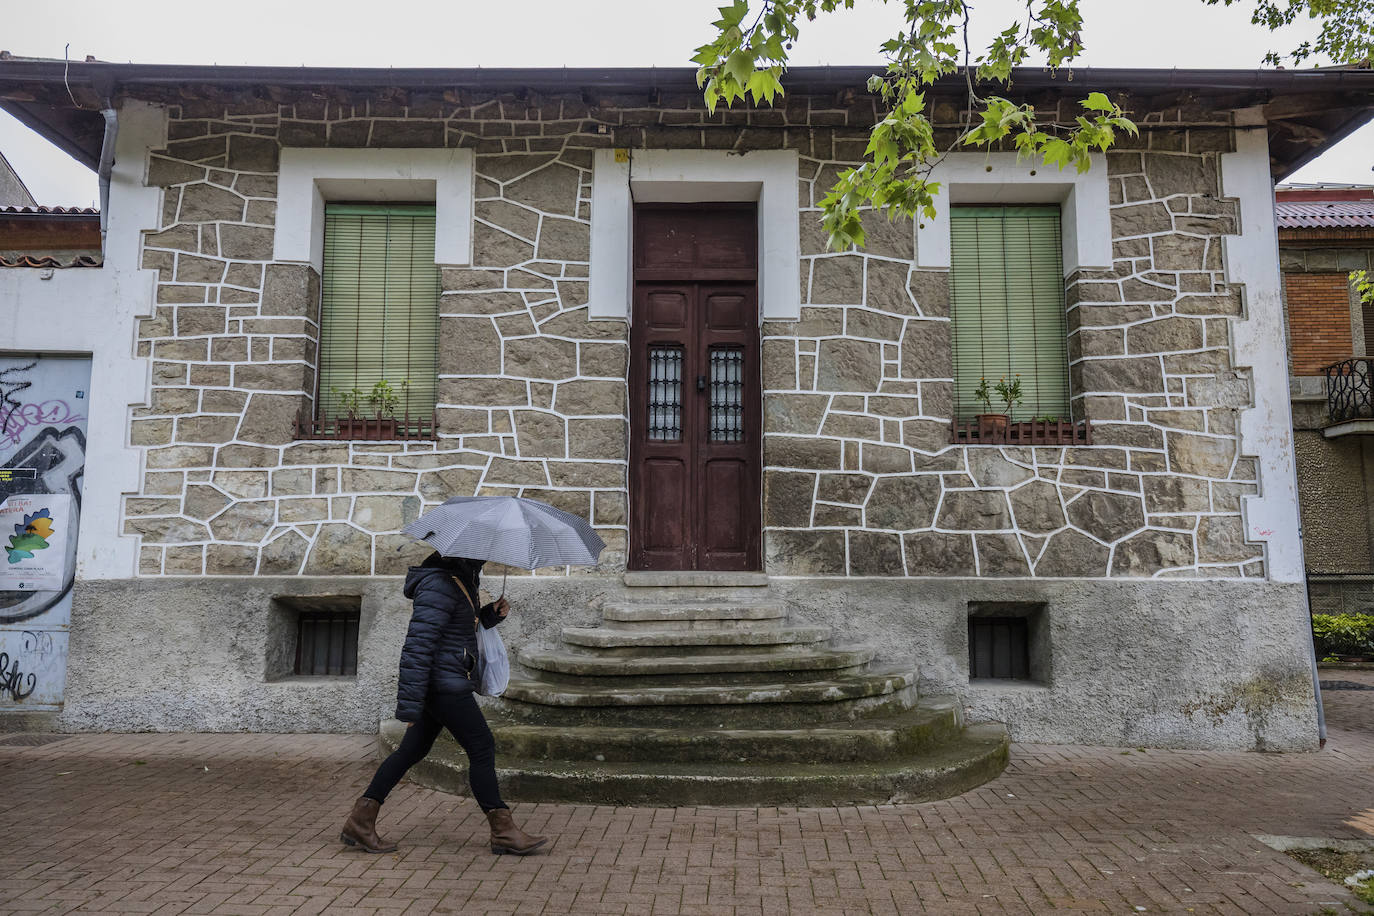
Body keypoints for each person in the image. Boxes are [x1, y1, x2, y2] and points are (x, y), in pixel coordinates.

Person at [340, 551, 548, 856]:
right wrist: (409, 707)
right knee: (481, 746)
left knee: (412, 750)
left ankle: (360, 821)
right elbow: (417, 647)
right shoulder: (439, 584)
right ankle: (503, 831)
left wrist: (490, 615)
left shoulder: (457, 580)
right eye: (480, 555)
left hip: (444, 680)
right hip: (443, 685)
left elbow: (456, 629)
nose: (483, 559)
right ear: (461, 554)